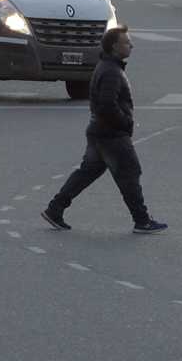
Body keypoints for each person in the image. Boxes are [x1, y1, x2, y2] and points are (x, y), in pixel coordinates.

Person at [41, 26, 170, 235]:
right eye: (127, 42)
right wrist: (125, 122)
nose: (131, 45)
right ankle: (142, 220)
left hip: (98, 132)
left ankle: (55, 208)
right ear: (114, 47)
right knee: (129, 173)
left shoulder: (108, 67)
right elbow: (106, 105)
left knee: (87, 173)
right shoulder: (111, 72)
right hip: (111, 135)